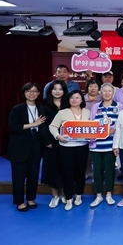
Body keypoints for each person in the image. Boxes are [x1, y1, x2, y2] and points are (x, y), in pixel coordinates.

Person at [8, 83, 47, 212]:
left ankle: (31, 198)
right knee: (18, 176)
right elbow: (12, 127)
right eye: (29, 91)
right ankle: (19, 201)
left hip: (35, 145)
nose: (32, 93)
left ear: (39, 93)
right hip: (19, 147)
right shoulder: (17, 108)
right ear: (24, 93)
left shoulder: (41, 107)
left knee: (33, 174)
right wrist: (33, 124)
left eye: (35, 91)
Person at [49, 90, 91, 211]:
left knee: (80, 172)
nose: (74, 100)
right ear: (68, 99)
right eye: (72, 98)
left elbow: (93, 127)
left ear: (82, 100)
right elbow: (52, 126)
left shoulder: (87, 112)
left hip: (82, 146)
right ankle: (68, 198)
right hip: (66, 147)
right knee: (67, 173)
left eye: (77, 97)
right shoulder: (62, 112)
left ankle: (78, 195)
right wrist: (58, 136)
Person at [88, 83, 122, 208]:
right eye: (104, 91)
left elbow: (121, 123)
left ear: (113, 93)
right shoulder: (95, 106)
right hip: (96, 145)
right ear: (101, 93)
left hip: (111, 145)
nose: (107, 93)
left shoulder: (119, 106)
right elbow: (91, 123)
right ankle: (98, 195)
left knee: (110, 170)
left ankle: (108, 194)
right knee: (97, 171)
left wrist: (113, 129)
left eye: (109, 91)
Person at [42, 80, 68, 208]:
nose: (57, 91)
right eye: (55, 89)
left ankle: (63, 193)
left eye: (60, 89)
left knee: (64, 167)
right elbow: (42, 125)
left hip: (66, 142)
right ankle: (55, 196)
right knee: (51, 168)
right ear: (50, 90)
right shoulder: (44, 104)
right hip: (51, 142)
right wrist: (47, 141)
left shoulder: (68, 103)